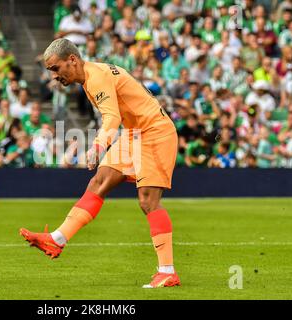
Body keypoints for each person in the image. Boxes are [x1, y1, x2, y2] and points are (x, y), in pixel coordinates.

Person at [20, 38, 180, 288]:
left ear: (72, 59)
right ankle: (57, 239)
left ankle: (167, 271)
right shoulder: (91, 77)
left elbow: (112, 117)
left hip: (155, 132)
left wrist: (97, 146)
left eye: (55, 68)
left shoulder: (96, 78)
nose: (54, 76)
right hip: (134, 133)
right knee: (99, 182)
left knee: (148, 201)